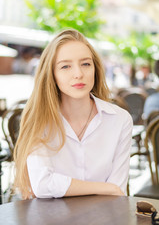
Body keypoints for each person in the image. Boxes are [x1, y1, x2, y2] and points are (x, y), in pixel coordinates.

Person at [14, 29, 133, 199]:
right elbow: (42, 185)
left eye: (86, 64)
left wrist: (107, 189)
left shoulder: (120, 120)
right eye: (65, 66)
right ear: (52, 75)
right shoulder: (40, 119)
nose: (78, 74)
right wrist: (103, 188)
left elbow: (116, 191)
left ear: (95, 69)